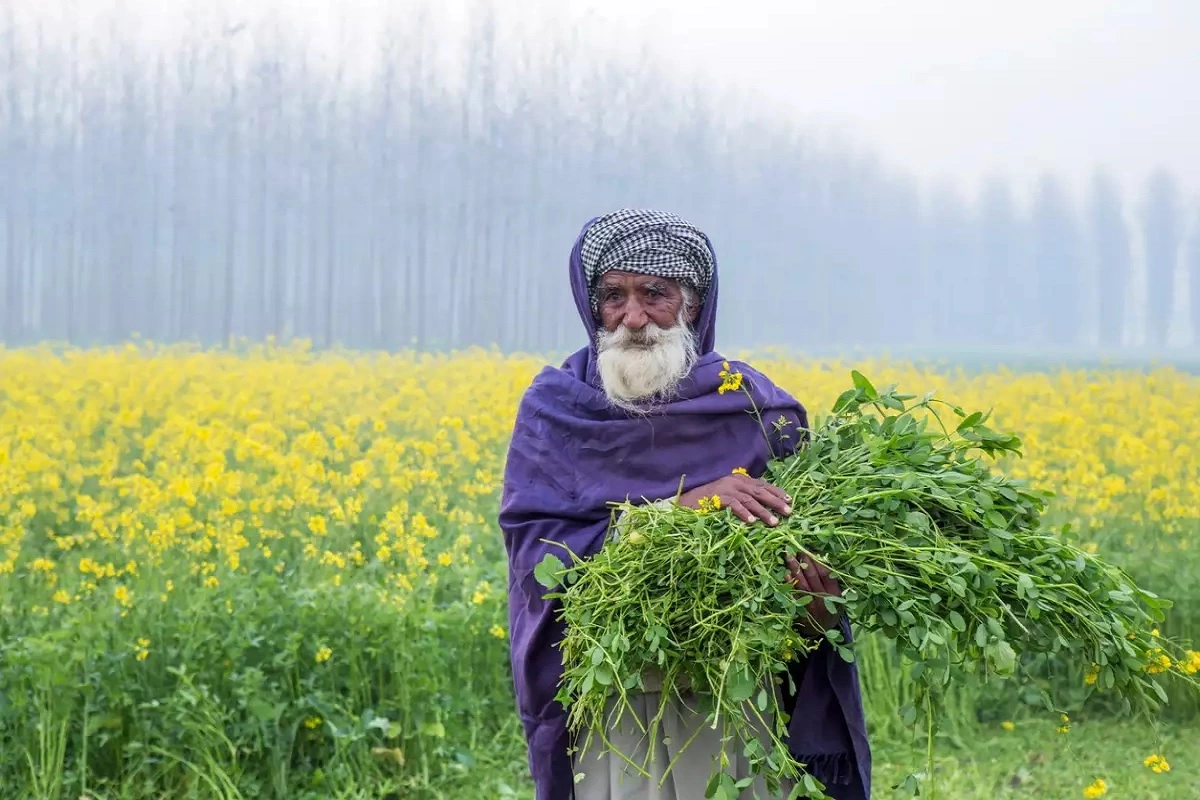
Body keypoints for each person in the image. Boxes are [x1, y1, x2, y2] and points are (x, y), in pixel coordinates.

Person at [499, 209, 871, 799]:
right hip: (612, 701)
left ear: (693, 305)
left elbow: (806, 547)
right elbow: (535, 555)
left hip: (737, 696)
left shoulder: (753, 409)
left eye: (655, 294)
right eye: (612, 296)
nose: (633, 318)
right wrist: (683, 508)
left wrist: (816, 610)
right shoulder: (557, 410)